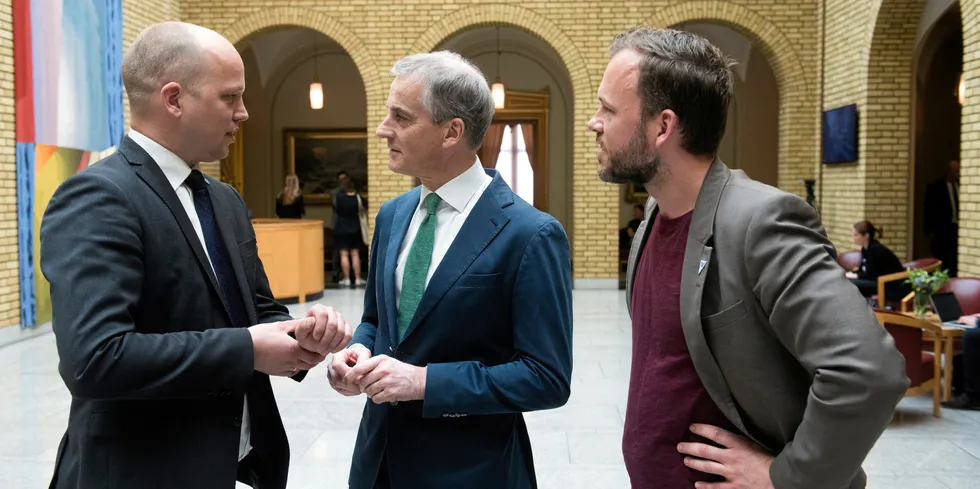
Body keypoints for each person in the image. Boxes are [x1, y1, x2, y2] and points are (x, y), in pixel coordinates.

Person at [590, 27, 909, 489]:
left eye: (608, 108)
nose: (594, 122)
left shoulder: (761, 221)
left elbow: (867, 372)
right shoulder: (655, 218)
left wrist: (788, 477)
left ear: (663, 126)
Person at [39, 22, 353, 489]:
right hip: (142, 470)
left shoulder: (223, 199)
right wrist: (247, 349)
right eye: (230, 97)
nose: (244, 113)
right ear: (174, 99)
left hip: (231, 462)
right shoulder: (99, 196)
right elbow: (96, 359)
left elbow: (255, 311)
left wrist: (304, 333)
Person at [326, 51, 573, 489]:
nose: (383, 130)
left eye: (401, 117)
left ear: (452, 131)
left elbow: (546, 378)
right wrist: (357, 353)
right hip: (377, 461)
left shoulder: (530, 234)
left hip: (469, 469)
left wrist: (425, 382)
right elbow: (377, 321)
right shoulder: (392, 215)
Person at [845, 220, 906, 303]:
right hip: (875, 280)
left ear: (866, 236)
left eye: (856, 235)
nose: (853, 237)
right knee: (846, 280)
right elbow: (863, 269)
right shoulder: (865, 249)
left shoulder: (875, 250)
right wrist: (852, 273)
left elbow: (869, 273)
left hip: (887, 283)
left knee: (850, 283)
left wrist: (854, 275)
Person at [924, 159, 959, 276]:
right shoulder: (936, 187)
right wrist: (929, 231)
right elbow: (928, 209)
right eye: (955, 171)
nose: (958, 174)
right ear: (948, 172)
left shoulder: (961, 186)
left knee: (955, 259)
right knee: (942, 259)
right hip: (941, 230)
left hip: (957, 228)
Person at [333, 177, 367, 287]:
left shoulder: (339, 197)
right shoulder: (357, 198)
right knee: (355, 253)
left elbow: (337, 209)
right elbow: (364, 206)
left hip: (341, 228)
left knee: (343, 254)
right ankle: (357, 278)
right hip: (355, 228)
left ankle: (346, 279)